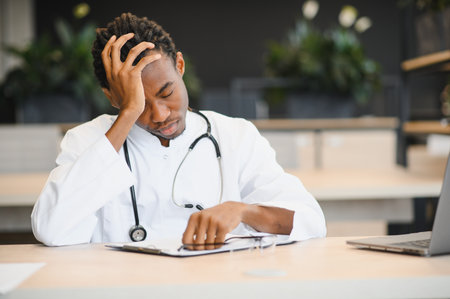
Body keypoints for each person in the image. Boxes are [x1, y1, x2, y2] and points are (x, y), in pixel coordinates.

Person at [31, 13, 326, 249]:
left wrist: (244, 211)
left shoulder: (235, 135)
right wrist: (127, 115)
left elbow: (310, 220)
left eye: (166, 91)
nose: (159, 114)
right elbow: (51, 229)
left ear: (180, 65)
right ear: (112, 98)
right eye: (140, 103)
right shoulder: (88, 141)